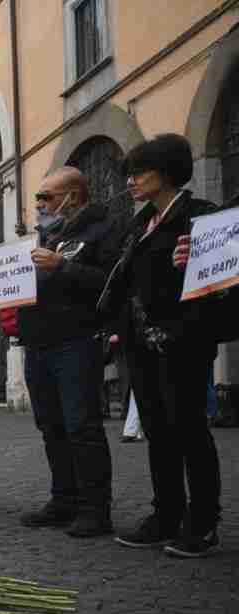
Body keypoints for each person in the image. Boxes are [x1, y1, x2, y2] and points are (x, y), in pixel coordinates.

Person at [101, 134, 221, 557]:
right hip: (140, 344)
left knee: (189, 431)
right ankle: (165, 514)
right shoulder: (141, 223)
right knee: (158, 432)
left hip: (183, 340)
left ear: (167, 172)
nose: (130, 182)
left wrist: (194, 263)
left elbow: (223, 273)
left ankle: (203, 522)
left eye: (139, 173)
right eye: (128, 175)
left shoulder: (200, 216)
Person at [15, 167, 118, 537]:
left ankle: (95, 508)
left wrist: (64, 266)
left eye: (47, 196)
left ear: (73, 196)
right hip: (39, 342)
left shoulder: (101, 231)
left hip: (76, 340)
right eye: (38, 197)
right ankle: (64, 500)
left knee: (82, 427)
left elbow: (109, 282)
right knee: (51, 427)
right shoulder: (42, 236)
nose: (39, 203)